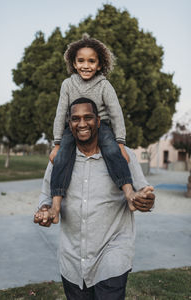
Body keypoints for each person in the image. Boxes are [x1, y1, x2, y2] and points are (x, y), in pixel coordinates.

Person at [34, 99, 155, 300]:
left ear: (98, 121)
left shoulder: (123, 156)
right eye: (75, 119)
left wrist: (146, 201)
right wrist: (46, 209)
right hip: (72, 260)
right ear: (69, 123)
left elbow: (143, 192)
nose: (82, 124)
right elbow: (46, 195)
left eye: (88, 117)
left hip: (112, 253)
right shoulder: (59, 159)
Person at [49, 34, 145, 222]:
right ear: (74, 63)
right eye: (81, 61)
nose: (86, 65)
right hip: (74, 129)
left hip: (102, 127)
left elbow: (116, 112)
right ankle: (55, 205)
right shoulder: (68, 84)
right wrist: (57, 143)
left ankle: (128, 193)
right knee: (61, 158)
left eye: (91, 61)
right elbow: (60, 113)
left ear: (99, 64)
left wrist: (120, 142)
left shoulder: (104, 85)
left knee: (112, 151)